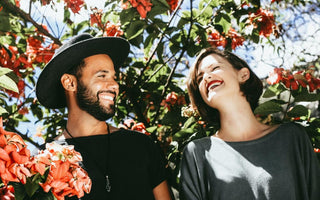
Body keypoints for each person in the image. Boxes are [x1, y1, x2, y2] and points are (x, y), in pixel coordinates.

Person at [36, 33, 172, 200]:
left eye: (114, 77)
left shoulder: (141, 145)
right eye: (102, 76)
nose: (114, 85)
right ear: (69, 83)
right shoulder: (45, 160)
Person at [180, 47, 320, 200]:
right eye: (200, 78)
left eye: (215, 68)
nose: (206, 77)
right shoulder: (198, 153)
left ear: (243, 74)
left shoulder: (292, 137)